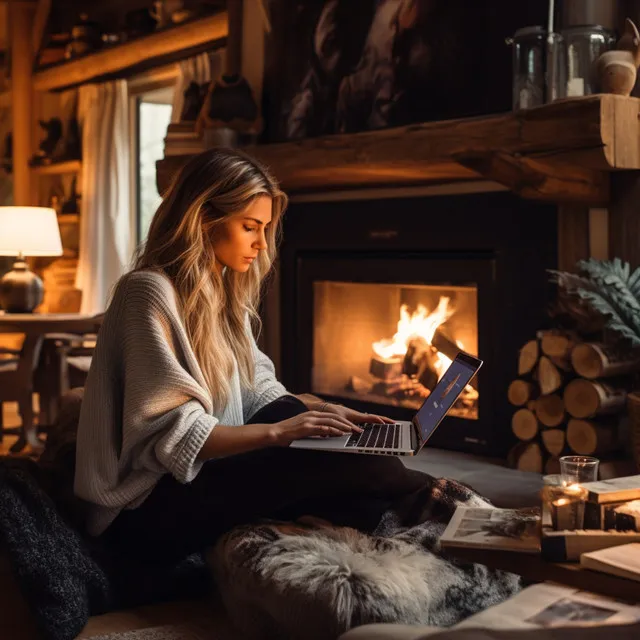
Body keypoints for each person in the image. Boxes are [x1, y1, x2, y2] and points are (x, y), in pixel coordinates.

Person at [74, 148, 427, 563]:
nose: (261, 244)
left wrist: (322, 411)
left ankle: (411, 512)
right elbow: (179, 439)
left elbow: (259, 390)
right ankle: (441, 501)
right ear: (204, 218)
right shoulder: (148, 292)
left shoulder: (221, 293)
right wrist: (284, 431)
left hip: (196, 480)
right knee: (332, 464)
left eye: (265, 228)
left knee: (341, 468)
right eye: (250, 227)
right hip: (141, 510)